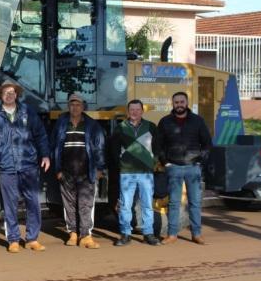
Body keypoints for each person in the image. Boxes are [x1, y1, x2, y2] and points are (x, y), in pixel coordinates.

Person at [0, 81, 50, 253]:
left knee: (32, 201)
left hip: (28, 164)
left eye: (12, 92)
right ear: (1, 95)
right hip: (7, 165)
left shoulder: (28, 112)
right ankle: (14, 240)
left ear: (16, 94)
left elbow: (40, 134)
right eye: (6, 92)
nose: (9, 95)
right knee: (10, 205)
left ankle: (32, 238)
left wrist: (45, 155)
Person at [50, 93, 105, 249]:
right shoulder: (61, 123)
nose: (75, 107)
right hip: (66, 172)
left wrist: (100, 168)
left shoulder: (92, 125)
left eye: (78, 105)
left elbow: (99, 147)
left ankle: (86, 235)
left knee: (85, 203)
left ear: (83, 107)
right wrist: (58, 169)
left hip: (86, 171)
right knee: (69, 204)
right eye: (72, 104)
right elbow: (54, 145)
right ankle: (73, 233)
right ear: (68, 106)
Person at [156, 91, 212, 245]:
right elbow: (158, 145)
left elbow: (207, 143)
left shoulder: (198, 121)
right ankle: (172, 234)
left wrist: (200, 161)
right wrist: (165, 162)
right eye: (176, 102)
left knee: (194, 202)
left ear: (186, 103)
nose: (179, 105)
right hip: (173, 167)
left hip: (193, 168)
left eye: (182, 102)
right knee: (173, 203)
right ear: (172, 104)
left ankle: (197, 234)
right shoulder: (165, 122)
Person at [111, 99, 160, 247]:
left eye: (137, 109)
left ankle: (148, 234)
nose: (134, 112)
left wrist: (154, 162)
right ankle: (125, 234)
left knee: (147, 204)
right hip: (127, 173)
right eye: (132, 110)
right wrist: (119, 164)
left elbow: (157, 147)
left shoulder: (151, 126)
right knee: (125, 205)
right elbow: (113, 150)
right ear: (128, 111)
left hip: (146, 172)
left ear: (142, 111)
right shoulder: (120, 128)